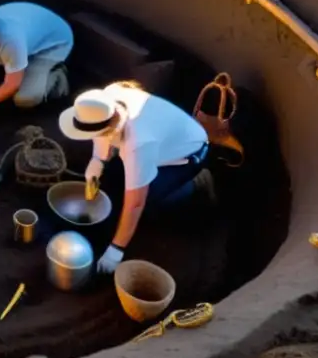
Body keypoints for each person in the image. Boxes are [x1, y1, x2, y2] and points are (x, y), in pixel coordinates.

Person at [58, 82, 213, 275]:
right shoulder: (107, 100)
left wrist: (116, 249)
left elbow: (135, 204)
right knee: (116, 178)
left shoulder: (138, 143)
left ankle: (193, 187)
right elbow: (99, 132)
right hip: (163, 138)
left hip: (188, 153)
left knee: (148, 205)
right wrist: (97, 160)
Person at [0, 2, 74, 120]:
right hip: (27, 34)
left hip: (50, 46)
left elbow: (12, 84)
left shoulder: (11, 41)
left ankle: (56, 75)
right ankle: (18, 62)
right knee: (4, 58)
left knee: (25, 98)